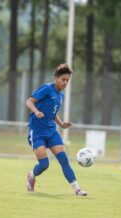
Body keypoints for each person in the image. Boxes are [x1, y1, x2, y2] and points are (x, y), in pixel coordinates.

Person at [25, 63, 87, 196]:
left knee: (63, 159)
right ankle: (31, 175)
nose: (65, 82)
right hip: (37, 132)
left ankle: (77, 189)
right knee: (44, 165)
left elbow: (53, 113)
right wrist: (36, 111)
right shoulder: (47, 88)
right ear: (56, 78)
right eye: (63, 79)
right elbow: (29, 101)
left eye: (67, 80)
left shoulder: (61, 96)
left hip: (51, 132)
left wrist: (61, 124)